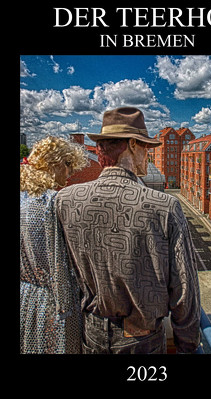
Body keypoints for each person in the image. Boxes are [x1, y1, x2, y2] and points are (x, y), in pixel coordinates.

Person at [55, 107, 201, 354]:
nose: (149, 155)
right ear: (133, 145)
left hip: (91, 337)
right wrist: (188, 344)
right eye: (146, 147)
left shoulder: (65, 200)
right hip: (143, 342)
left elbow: (62, 277)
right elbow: (184, 289)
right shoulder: (164, 206)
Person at [20, 135, 89, 354]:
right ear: (56, 163)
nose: (70, 174)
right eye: (68, 166)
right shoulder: (52, 202)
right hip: (55, 305)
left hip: (26, 300)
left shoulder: (24, 197)